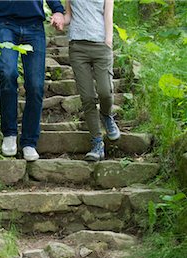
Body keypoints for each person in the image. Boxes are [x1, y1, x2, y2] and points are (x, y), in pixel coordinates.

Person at [0, 0, 64, 161]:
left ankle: (29, 141)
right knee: (8, 74)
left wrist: (57, 10)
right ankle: (9, 133)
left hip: (35, 27)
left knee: (35, 85)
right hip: (6, 26)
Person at [64, 0, 120, 161]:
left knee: (105, 92)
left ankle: (106, 115)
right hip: (77, 47)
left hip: (101, 45)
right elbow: (69, 15)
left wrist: (108, 41)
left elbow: (108, 15)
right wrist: (59, 19)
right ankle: (97, 143)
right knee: (87, 98)